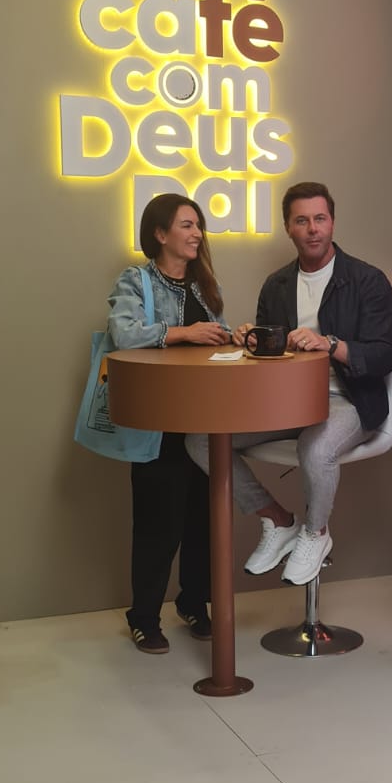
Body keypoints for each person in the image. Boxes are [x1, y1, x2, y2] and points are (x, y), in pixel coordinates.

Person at [187, 182, 392, 587]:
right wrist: (252, 340)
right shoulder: (277, 285)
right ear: (288, 228)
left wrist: (329, 344)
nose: (312, 229)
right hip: (289, 402)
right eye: (302, 221)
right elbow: (269, 358)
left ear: (332, 222)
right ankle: (278, 519)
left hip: (349, 400)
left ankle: (315, 534)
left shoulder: (367, 280)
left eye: (320, 219)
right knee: (199, 439)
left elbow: (383, 356)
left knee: (315, 449)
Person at [107, 194, 229, 654]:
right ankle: (143, 617)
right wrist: (184, 333)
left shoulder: (205, 286)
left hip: (203, 422)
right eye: (186, 225)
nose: (197, 233)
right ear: (160, 234)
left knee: (202, 521)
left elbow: (213, 340)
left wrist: (230, 336)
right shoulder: (135, 280)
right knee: (158, 525)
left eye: (198, 225)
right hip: (157, 428)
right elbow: (124, 332)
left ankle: (194, 604)